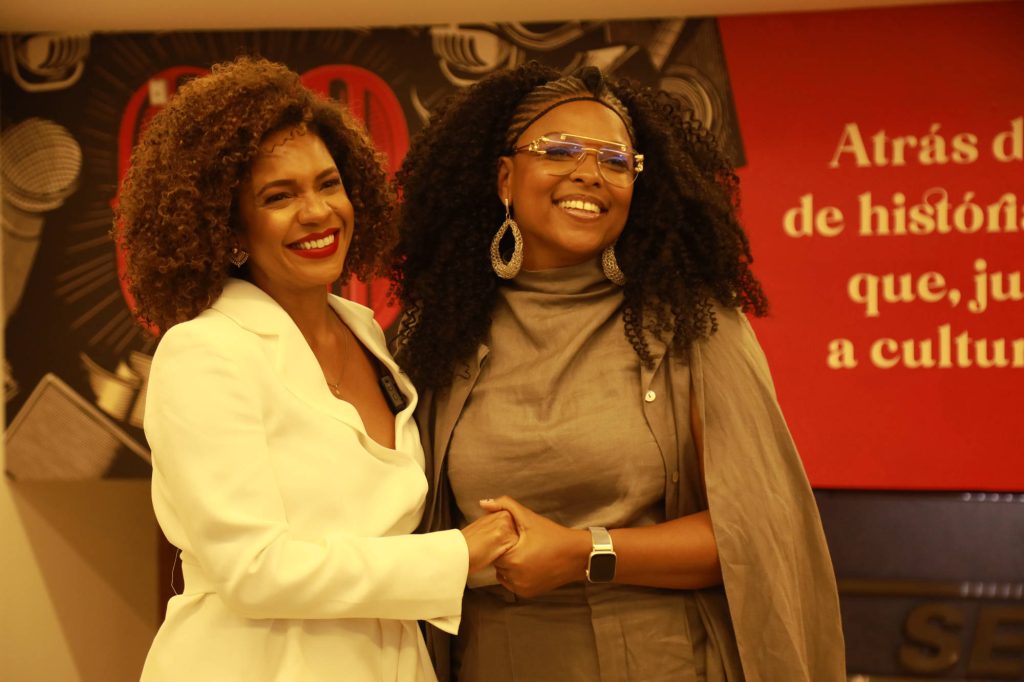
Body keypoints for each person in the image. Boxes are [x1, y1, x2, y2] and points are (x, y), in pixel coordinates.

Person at [393, 62, 846, 681]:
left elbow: (759, 531)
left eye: (615, 161)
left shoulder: (691, 325)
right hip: (492, 659)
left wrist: (586, 553)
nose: (589, 173)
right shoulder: (433, 336)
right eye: (559, 151)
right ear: (505, 177)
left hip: (662, 659)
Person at [117, 56, 517, 682]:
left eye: (328, 184)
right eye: (279, 196)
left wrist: (508, 549)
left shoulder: (364, 332)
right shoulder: (204, 352)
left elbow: (377, 532)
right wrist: (456, 557)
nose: (317, 211)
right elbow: (253, 570)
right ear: (227, 227)